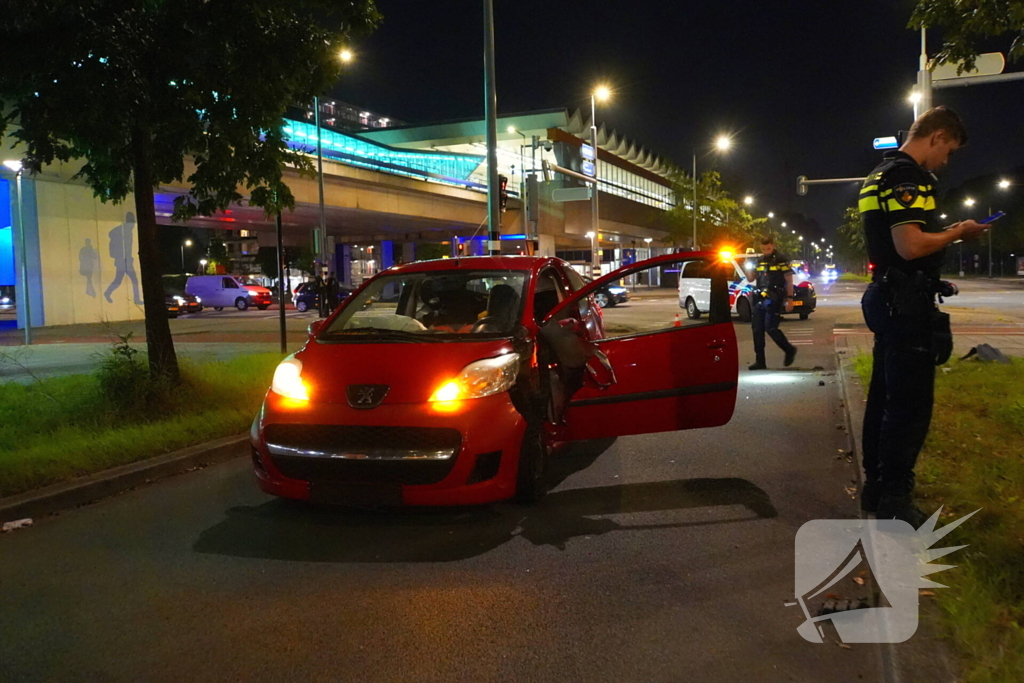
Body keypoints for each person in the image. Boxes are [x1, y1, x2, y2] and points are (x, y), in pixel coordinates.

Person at [858, 106, 988, 525]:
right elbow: (910, 246)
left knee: (883, 396)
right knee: (909, 406)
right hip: (905, 302)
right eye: (947, 151)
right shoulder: (906, 177)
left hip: (890, 297)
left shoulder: (878, 173)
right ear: (936, 136)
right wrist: (957, 232)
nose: (945, 162)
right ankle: (896, 499)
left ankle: (877, 489)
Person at [748, 235, 797, 371]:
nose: (766, 251)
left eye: (768, 248)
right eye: (764, 249)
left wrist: (790, 298)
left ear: (773, 246)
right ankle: (760, 361)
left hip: (775, 298)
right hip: (760, 298)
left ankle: (789, 350)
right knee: (757, 329)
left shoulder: (781, 260)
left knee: (771, 327)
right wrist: (748, 266)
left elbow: (789, 280)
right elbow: (751, 279)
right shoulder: (759, 261)